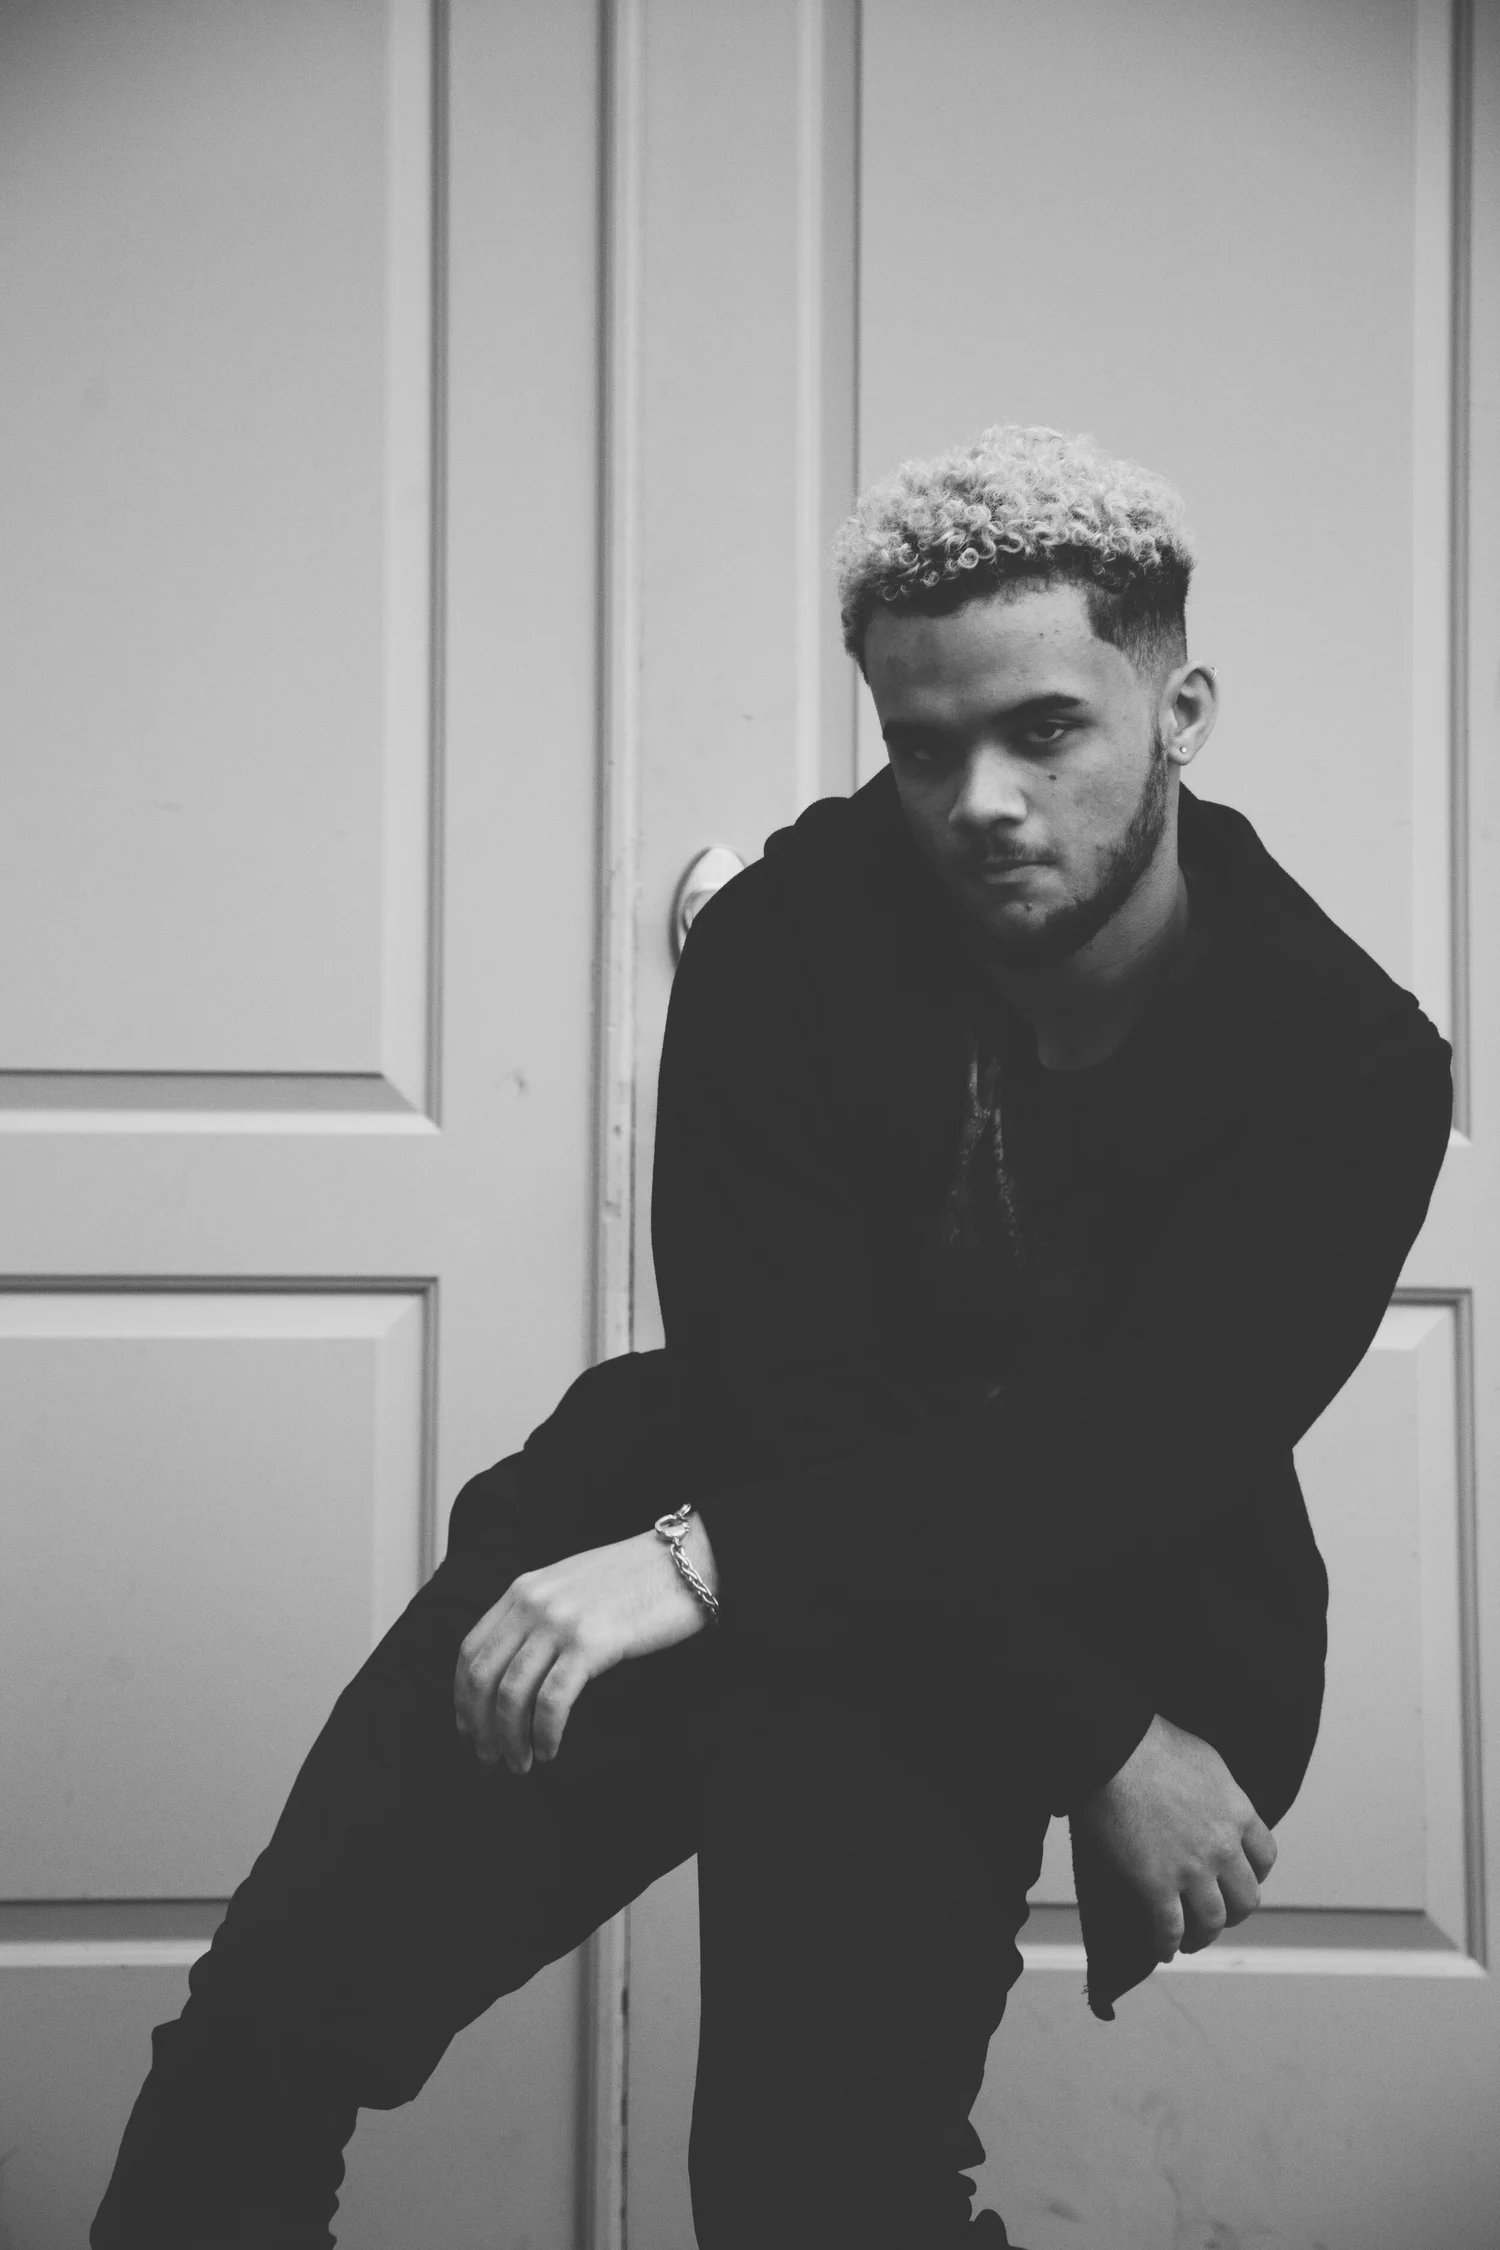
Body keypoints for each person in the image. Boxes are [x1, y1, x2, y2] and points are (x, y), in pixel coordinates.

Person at [92, 425, 1452, 2250]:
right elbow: (775, 1383)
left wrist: (740, 1578)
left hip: (1007, 1602)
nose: (979, 799)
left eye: (1046, 729)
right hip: (710, 1502)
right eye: (923, 744)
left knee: (821, 2195)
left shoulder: (1347, 1066)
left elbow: (1138, 1451)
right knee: (263, 2035)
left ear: (1179, 710)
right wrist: (1101, 1742)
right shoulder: (785, 940)